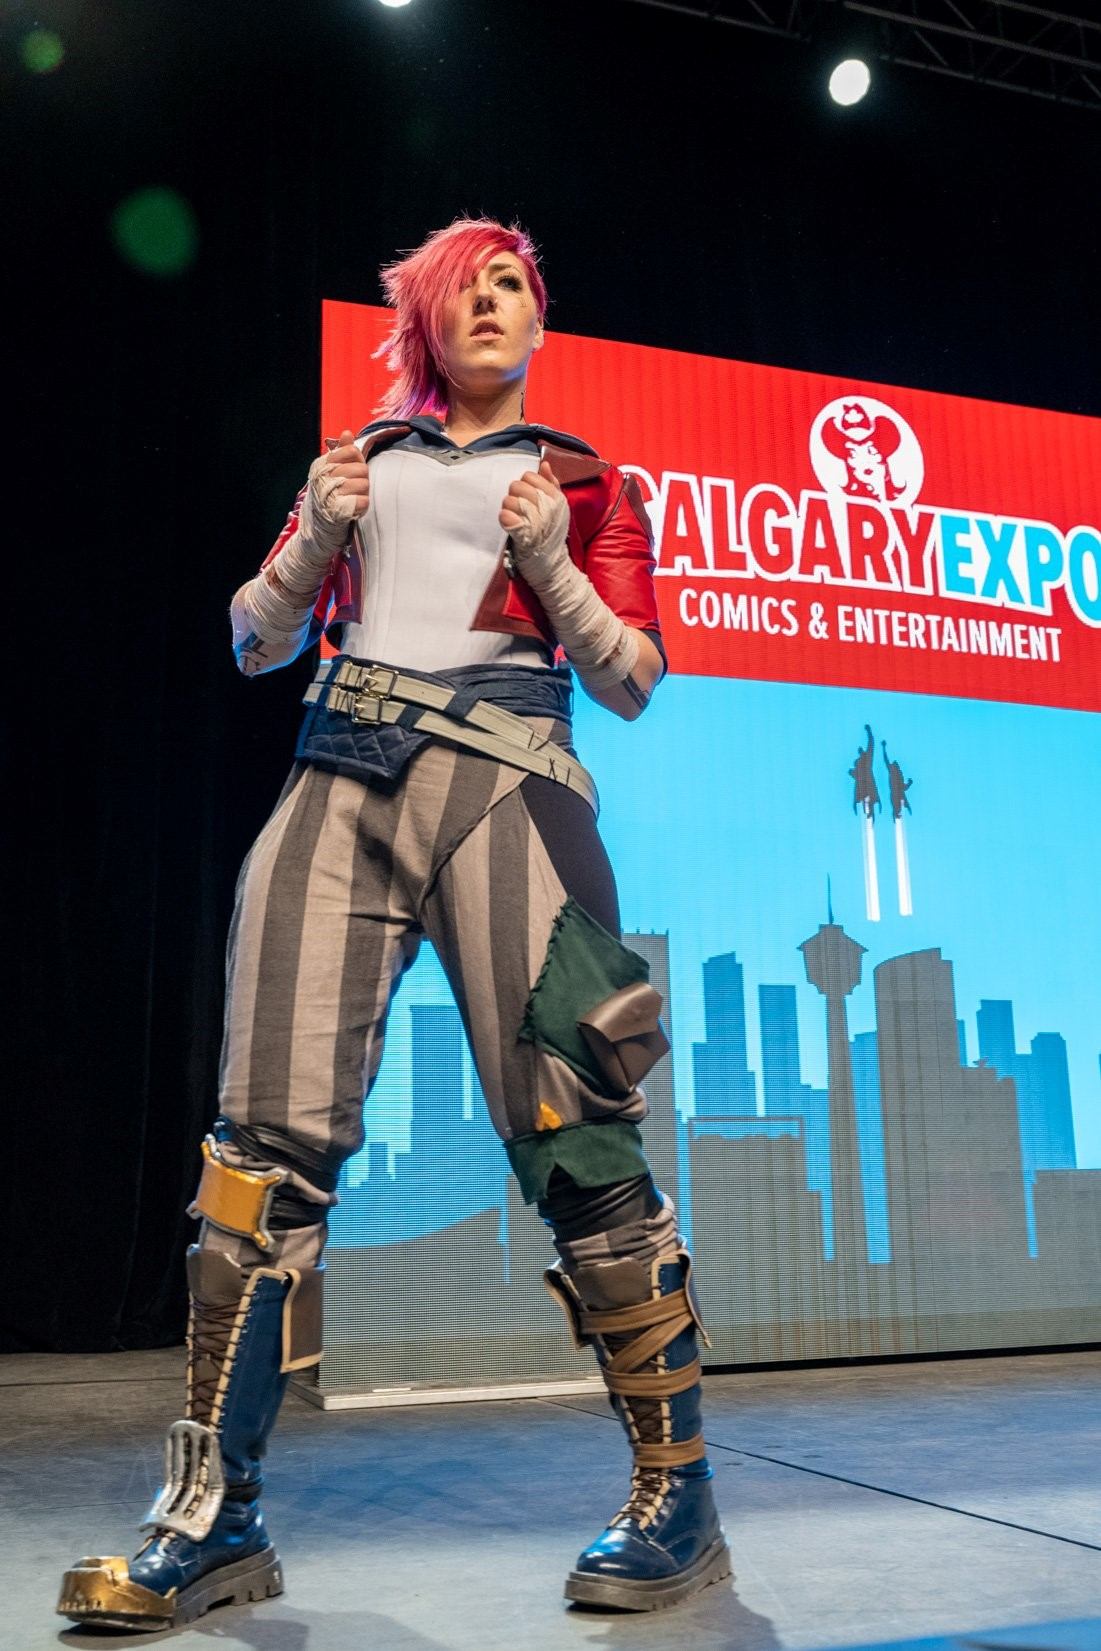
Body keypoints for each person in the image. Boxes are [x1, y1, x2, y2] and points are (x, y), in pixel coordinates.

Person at [58, 218, 730, 1631]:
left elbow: (631, 680)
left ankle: (676, 1498)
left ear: (537, 314)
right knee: (257, 1156)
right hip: (338, 772)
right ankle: (209, 1518)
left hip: (512, 786)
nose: (485, 303)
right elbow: (251, 639)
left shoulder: (587, 481)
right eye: (458, 290)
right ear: (420, 324)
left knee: (580, 1140)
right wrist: (314, 529)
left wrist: (549, 557)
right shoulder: (362, 467)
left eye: (507, 284)